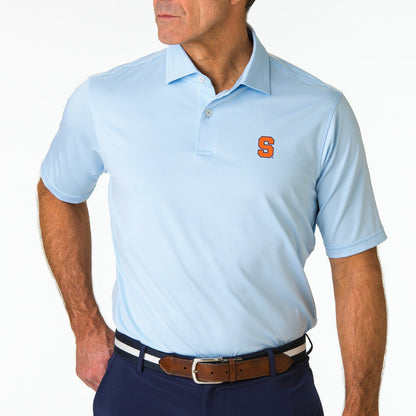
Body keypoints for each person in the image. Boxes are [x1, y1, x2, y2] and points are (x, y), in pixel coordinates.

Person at [37, 0, 388, 415]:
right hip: (141, 390)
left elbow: (355, 265)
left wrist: (362, 405)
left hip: (274, 394)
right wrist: (85, 325)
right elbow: (57, 192)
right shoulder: (106, 97)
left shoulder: (321, 111)